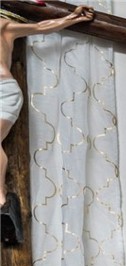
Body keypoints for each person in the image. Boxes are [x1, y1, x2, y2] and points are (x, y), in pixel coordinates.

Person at [0, 5, 94, 242]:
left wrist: (72, 18)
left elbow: (41, 26)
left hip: (3, 92)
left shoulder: (2, 25)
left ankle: (2, 203)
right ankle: (3, 208)